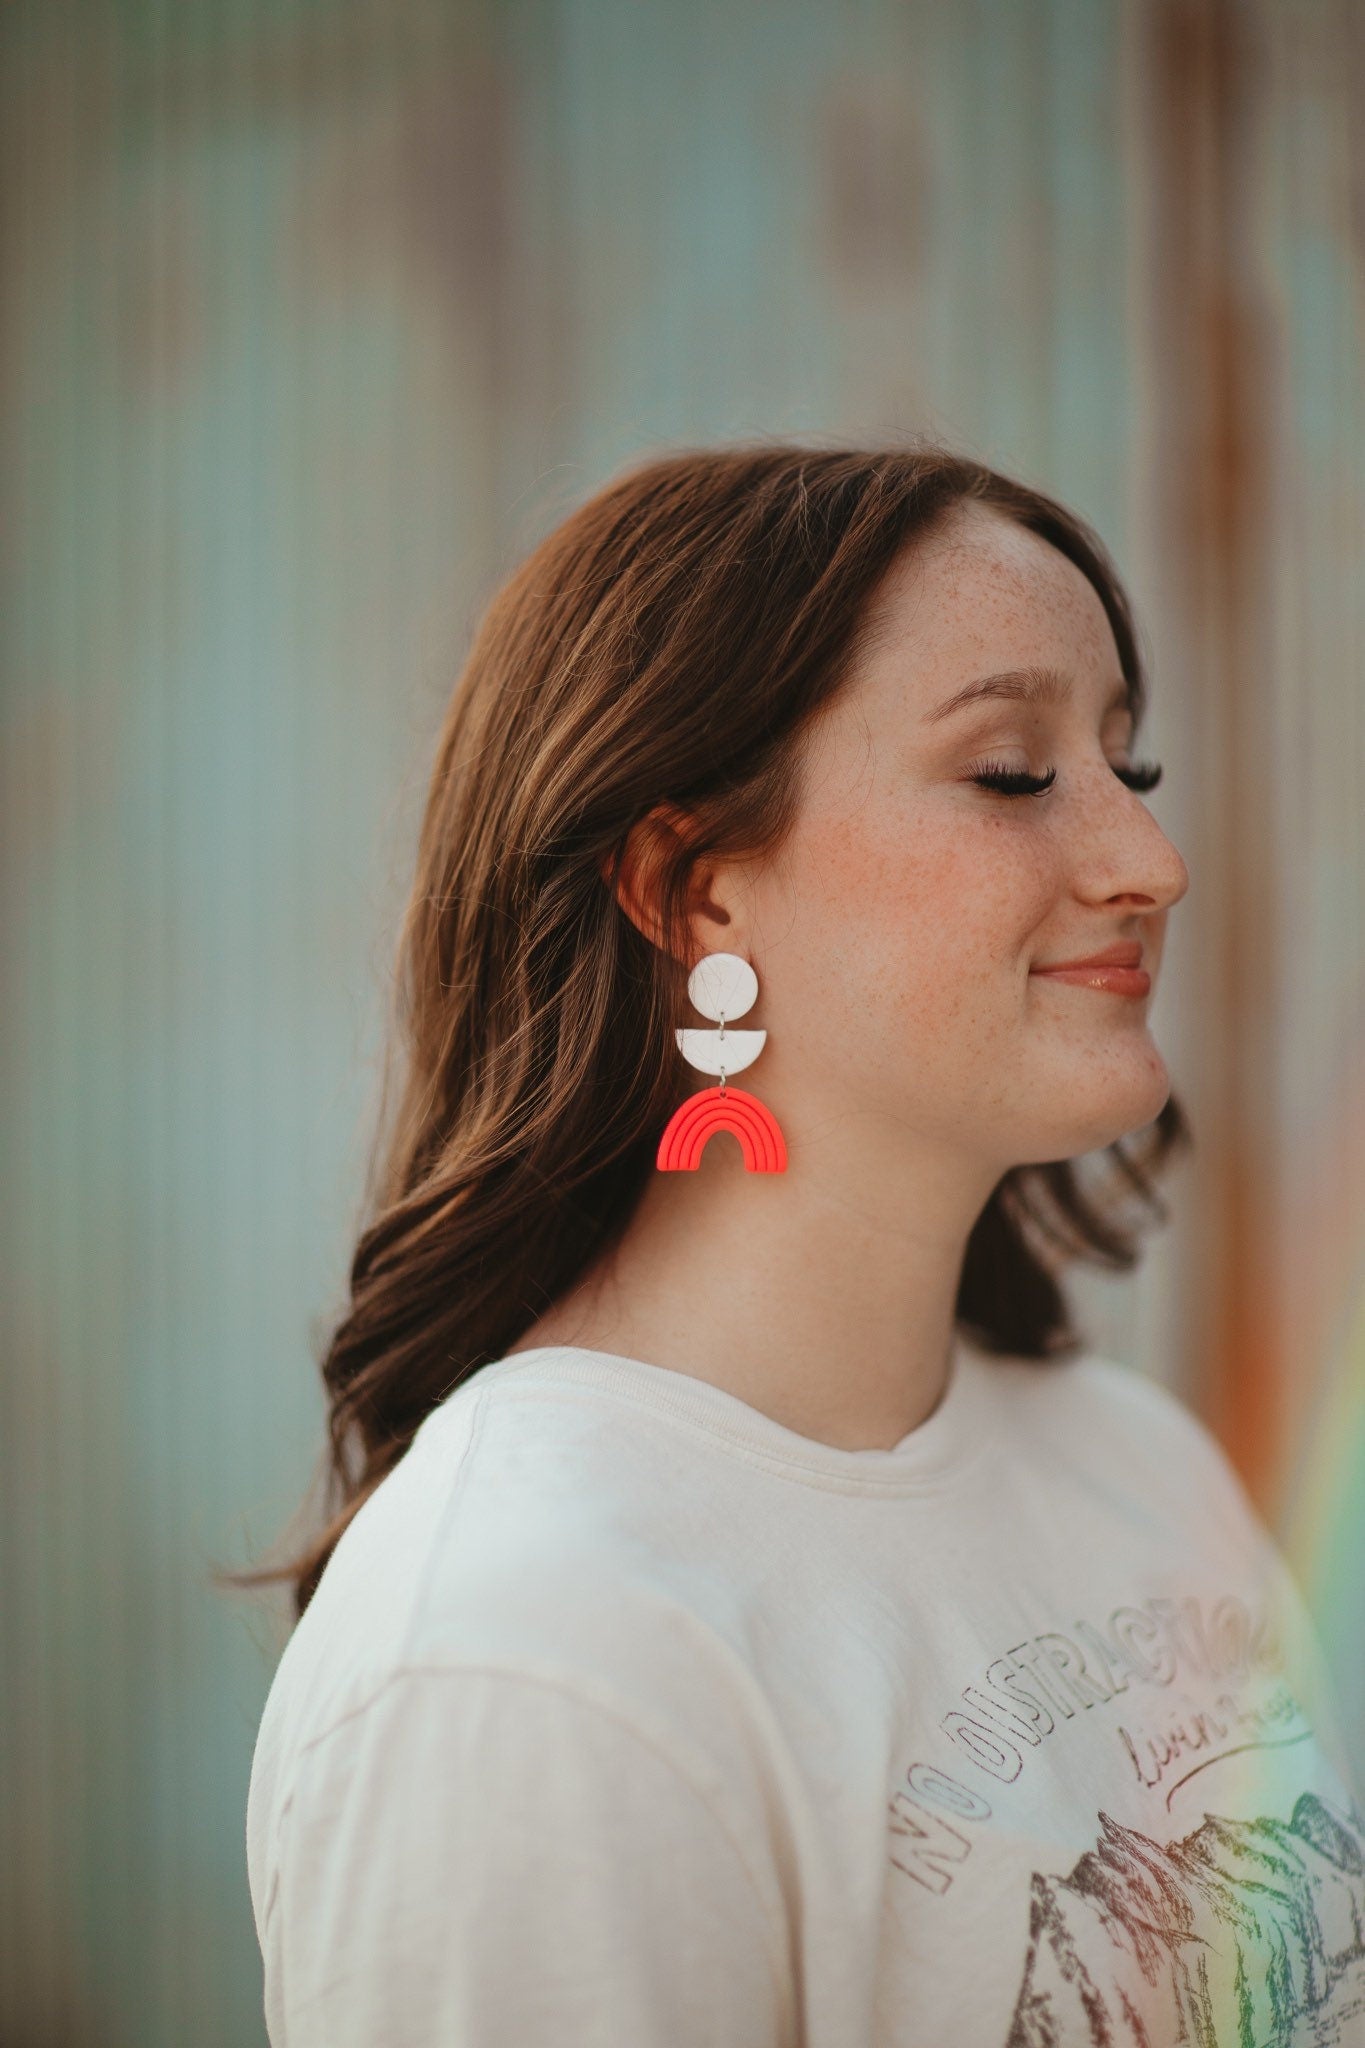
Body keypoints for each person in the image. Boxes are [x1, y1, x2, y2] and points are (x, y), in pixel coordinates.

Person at [237, 443, 1363, 2045]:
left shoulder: (1136, 1468)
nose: (1148, 864)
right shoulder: (526, 1654)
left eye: (1130, 768)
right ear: (692, 893)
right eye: (1012, 773)